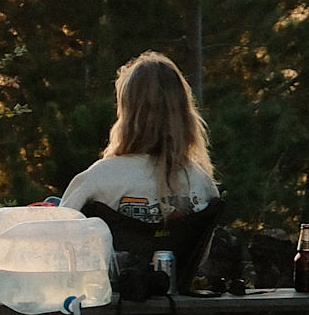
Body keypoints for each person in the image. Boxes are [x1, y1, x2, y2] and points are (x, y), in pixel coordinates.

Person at [59, 49, 216, 224]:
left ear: (127, 116)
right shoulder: (203, 184)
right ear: (184, 115)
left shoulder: (99, 178)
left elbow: (60, 235)